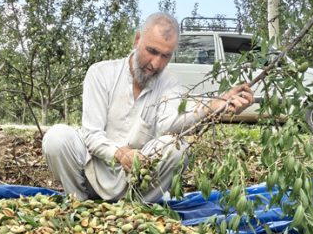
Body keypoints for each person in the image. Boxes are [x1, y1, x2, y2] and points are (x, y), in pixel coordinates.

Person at [42, 12, 253, 202]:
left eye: (165, 56)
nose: (156, 64)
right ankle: (76, 202)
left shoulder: (169, 83)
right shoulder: (100, 73)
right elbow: (91, 135)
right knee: (57, 137)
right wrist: (120, 154)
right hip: (93, 171)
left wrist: (213, 107)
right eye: (152, 51)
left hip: (135, 181)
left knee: (177, 146)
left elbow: (171, 123)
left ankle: (136, 208)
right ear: (137, 40)